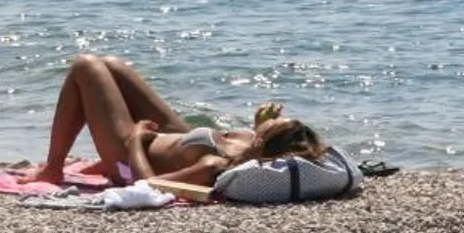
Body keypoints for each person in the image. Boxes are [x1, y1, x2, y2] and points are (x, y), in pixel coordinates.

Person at [32, 54, 326, 188]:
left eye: (272, 126)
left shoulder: (214, 165)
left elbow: (148, 185)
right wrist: (257, 125)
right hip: (173, 139)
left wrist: (135, 142)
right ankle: (89, 163)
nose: (269, 121)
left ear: (265, 145)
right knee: (113, 65)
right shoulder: (248, 144)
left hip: (130, 156)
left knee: (85, 66)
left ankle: (53, 169)